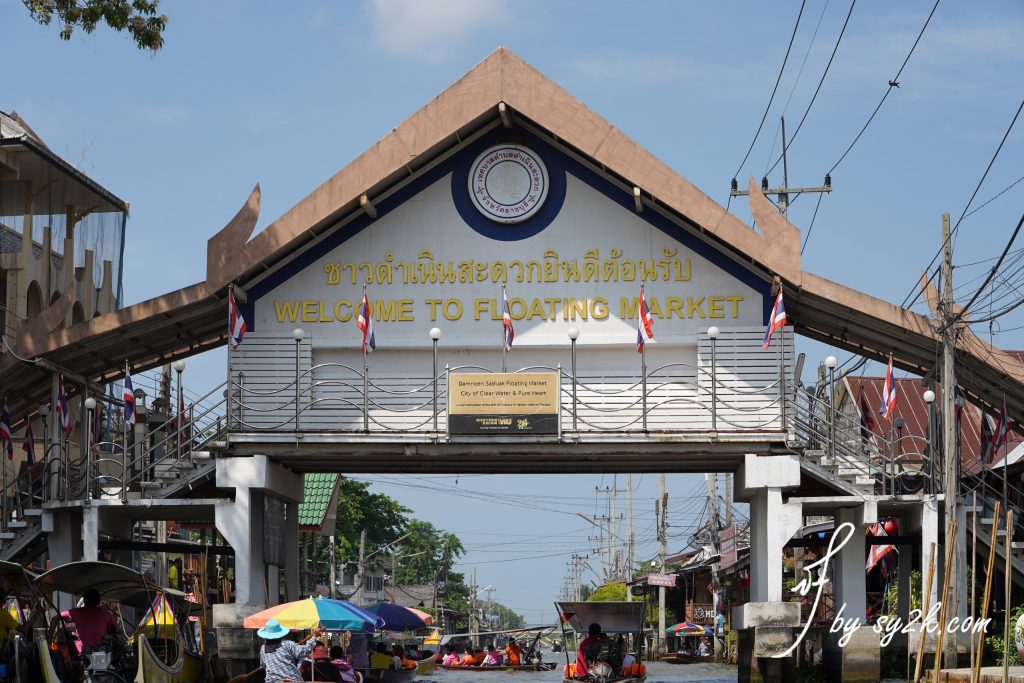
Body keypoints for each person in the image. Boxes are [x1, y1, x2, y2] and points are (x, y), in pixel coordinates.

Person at [258, 620, 325, 683]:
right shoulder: (287, 644)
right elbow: (305, 651)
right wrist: (314, 636)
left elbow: (263, 665)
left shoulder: (263, 648)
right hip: (291, 679)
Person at [60, 588, 117, 657]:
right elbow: (117, 631)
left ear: (84, 601)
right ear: (98, 601)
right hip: (102, 654)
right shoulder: (106, 614)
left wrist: (50, 639)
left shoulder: (76, 612)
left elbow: (55, 618)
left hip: (82, 653)